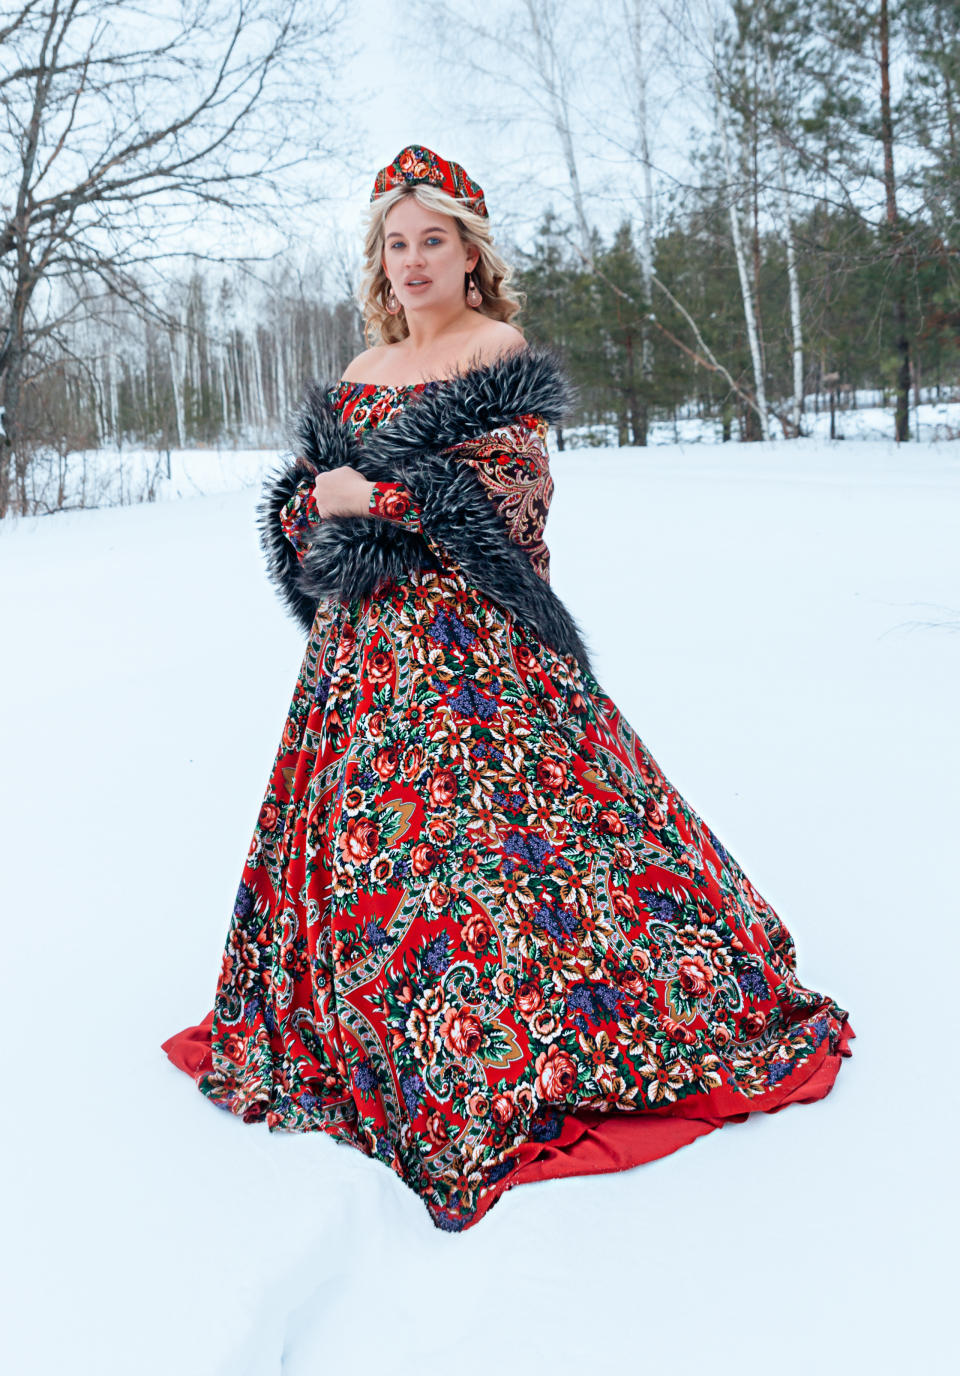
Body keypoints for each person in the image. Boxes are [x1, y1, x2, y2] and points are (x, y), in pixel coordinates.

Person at [162, 143, 855, 1233]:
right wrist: (317, 508)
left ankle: (501, 1042)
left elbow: (513, 503)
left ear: (471, 254)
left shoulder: (495, 351)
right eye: (396, 243)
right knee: (374, 853)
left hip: (475, 651)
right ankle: (385, 1037)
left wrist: (375, 500)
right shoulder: (364, 363)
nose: (412, 261)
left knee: (482, 851)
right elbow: (305, 505)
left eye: (433, 240)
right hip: (362, 658)